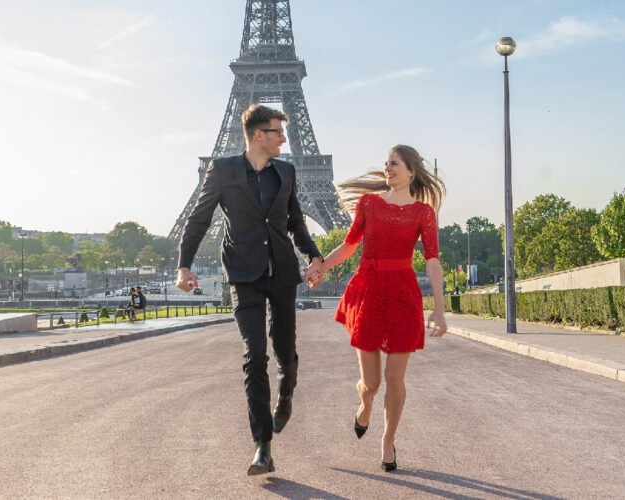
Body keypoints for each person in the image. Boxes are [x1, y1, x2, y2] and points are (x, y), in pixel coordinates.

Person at [176, 104, 324, 475]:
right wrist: (184, 265)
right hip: (243, 273)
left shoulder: (285, 172)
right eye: (278, 132)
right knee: (254, 354)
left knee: (284, 351)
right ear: (259, 135)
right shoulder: (223, 170)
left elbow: (296, 224)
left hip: (282, 273)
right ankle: (263, 446)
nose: (284, 139)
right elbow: (198, 217)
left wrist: (315, 256)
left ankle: (286, 391)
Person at [307, 144, 447, 472]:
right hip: (369, 291)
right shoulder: (369, 203)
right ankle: (365, 403)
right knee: (372, 384)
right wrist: (322, 267)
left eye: (394, 164)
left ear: (411, 171)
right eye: (386, 163)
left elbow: (432, 261)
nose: (388, 168)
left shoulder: (423, 213)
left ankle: (387, 440)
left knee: (395, 376)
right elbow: (351, 243)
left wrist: (439, 308)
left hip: (402, 295)